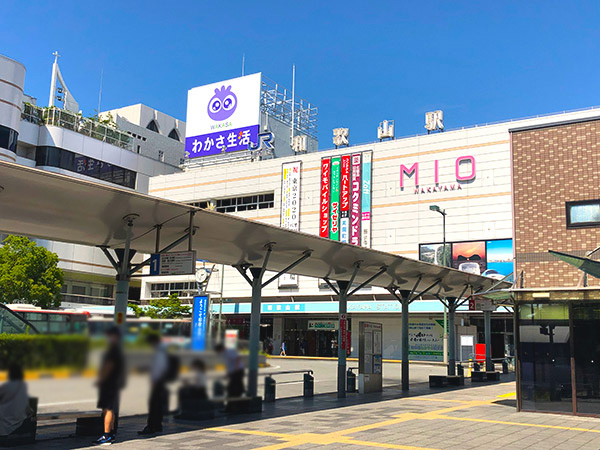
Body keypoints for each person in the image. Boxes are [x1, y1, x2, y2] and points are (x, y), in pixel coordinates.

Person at [93, 327, 125, 446]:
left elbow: (108, 366)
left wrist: (101, 379)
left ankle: (106, 436)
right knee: (111, 409)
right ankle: (111, 433)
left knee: (107, 409)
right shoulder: (118, 350)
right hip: (114, 383)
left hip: (108, 383)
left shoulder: (112, 351)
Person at [138, 334, 168, 435]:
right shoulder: (162, 351)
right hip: (161, 381)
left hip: (157, 381)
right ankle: (158, 425)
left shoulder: (159, 352)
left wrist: (154, 382)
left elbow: (158, 368)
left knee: (154, 404)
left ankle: (151, 427)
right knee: (158, 404)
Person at [0, 365, 32, 438]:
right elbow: (27, 407)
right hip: (18, 423)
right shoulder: (23, 386)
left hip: (4, 427)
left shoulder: (6, 386)